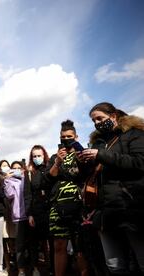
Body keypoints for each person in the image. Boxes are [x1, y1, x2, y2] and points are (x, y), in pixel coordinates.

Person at [79, 102, 144, 274]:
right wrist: (86, 163)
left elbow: (139, 162)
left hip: (132, 208)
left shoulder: (134, 134)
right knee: (114, 265)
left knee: (141, 260)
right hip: (106, 212)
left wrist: (101, 155)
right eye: (94, 121)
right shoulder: (98, 142)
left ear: (114, 116)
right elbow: (93, 175)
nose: (97, 123)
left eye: (100, 118)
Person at [44, 120, 89, 276]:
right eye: (63, 137)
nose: (66, 139)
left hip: (79, 206)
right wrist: (57, 162)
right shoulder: (54, 157)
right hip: (58, 207)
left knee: (80, 246)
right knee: (59, 246)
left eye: (69, 136)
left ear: (76, 136)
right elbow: (48, 179)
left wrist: (80, 156)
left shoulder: (82, 153)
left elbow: (87, 173)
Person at [24, 145, 51, 276]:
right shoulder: (29, 173)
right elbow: (27, 195)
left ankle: (52, 266)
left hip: (50, 209)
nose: (37, 158)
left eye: (39, 155)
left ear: (44, 156)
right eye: (34, 156)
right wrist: (29, 215)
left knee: (51, 240)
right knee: (34, 242)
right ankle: (35, 268)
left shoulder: (50, 168)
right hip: (35, 211)